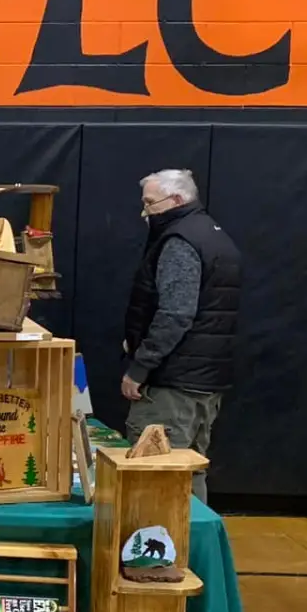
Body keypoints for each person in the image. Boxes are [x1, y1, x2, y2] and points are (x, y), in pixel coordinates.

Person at [120, 168, 240, 502]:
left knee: (154, 471)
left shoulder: (179, 242)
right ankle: (194, 550)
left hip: (173, 387)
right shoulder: (214, 235)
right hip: (205, 382)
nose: (145, 213)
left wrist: (140, 367)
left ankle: (155, 554)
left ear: (175, 200)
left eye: (150, 204)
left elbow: (175, 314)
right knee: (190, 470)